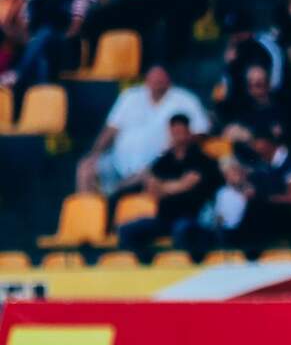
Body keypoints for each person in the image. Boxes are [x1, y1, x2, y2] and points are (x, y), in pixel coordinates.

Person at [76, 65, 210, 197]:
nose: (156, 84)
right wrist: (95, 153)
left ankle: (113, 196)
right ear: (146, 80)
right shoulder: (130, 96)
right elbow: (111, 129)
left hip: (156, 165)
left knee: (141, 178)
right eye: (153, 79)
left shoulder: (186, 99)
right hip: (118, 161)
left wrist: (176, 145)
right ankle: (86, 210)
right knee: (86, 167)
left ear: (168, 80)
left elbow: (201, 132)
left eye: (160, 80)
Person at [117, 114, 222, 258]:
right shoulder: (163, 161)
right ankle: (144, 262)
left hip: (191, 218)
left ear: (189, 132)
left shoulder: (201, 159)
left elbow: (188, 184)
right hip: (164, 217)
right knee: (127, 230)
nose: (177, 137)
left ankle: (182, 265)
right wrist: (176, 185)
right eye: (174, 132)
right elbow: (152, 189)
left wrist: (164, 187)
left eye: (180, 132)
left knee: (182, 230)